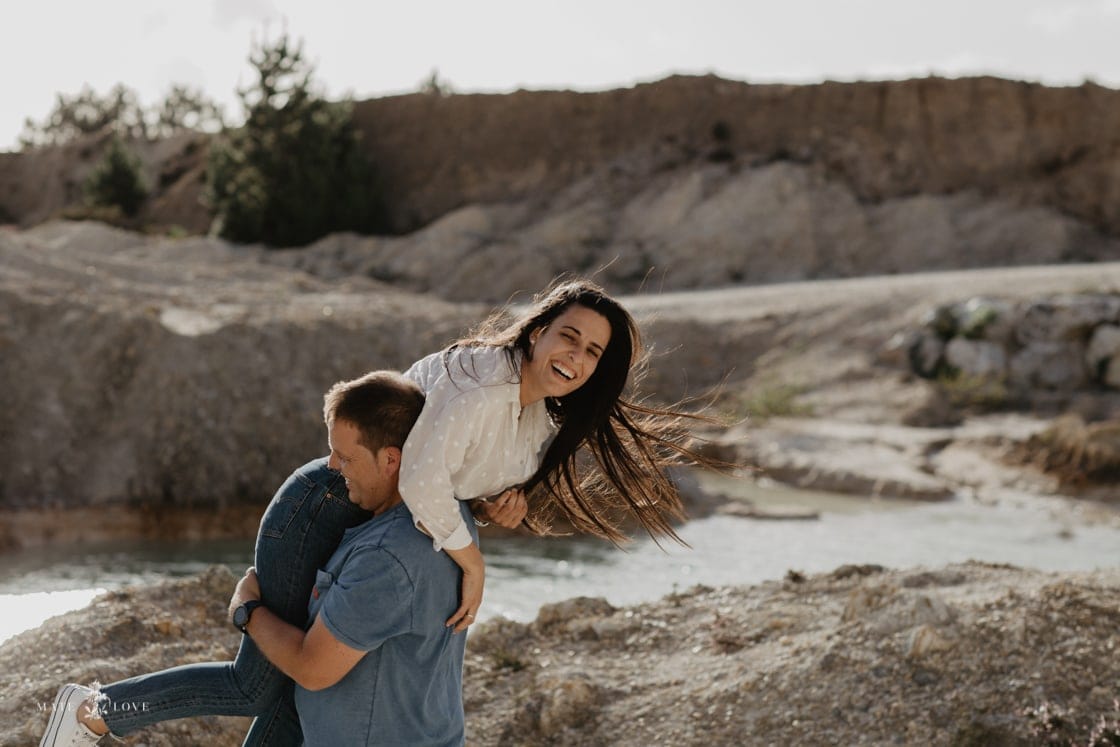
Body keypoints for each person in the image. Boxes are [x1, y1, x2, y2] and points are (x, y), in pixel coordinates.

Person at [41, 277, 717, 746]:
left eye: (593, 350)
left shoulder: (538, 417)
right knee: (260, 684)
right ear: (537, 331)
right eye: (568, 336)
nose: (576, 356)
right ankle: (96, 711)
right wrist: (472, 562)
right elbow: (422, 476)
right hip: (328, 500)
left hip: (380, 512)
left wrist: (501, 499)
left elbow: (456, 474)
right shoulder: (485, 384)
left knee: (296, 705)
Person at [41, 372, 475, 746]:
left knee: (260, 687)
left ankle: (94, 710)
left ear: (392, 460)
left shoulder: (387, 559)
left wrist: (247, 611)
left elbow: (311, 667)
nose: (333, 467)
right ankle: (93, 711)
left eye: (345, 457)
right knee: (261, 686)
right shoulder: (451, 520)